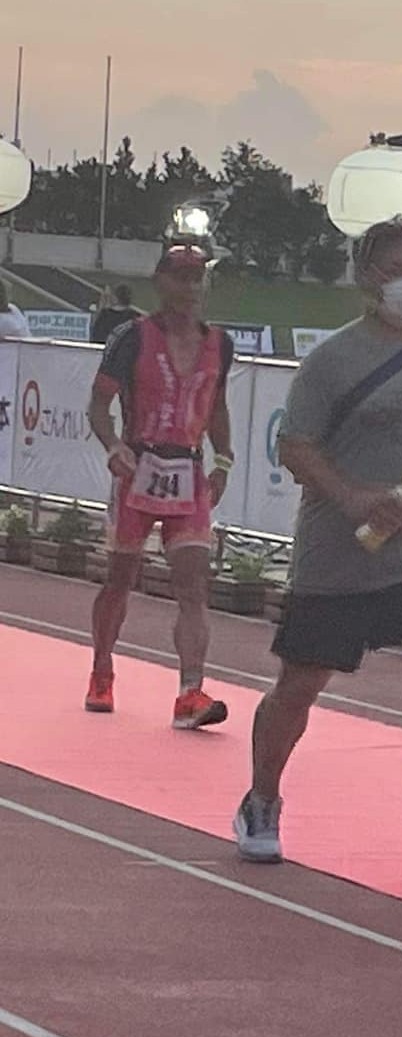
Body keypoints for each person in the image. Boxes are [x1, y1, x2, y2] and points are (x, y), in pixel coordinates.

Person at [232, 218, 402, 865]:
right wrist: (353, 496)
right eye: (398, 270)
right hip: (340, 556)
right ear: (368, 277)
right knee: (301, 683)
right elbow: (295, 446)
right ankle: (262, 796)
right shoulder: (332, 359)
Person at [83, 245, 235, 727]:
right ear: (160, 282)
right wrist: (113, 446)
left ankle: (190, 691)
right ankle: (102, 667)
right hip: (138, 468)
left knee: (193, 585)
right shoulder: (132, 337)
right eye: (181, 277)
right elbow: (98, 404)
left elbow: (217, 405)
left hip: (188, 471)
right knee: (120, 579)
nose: (190, 287)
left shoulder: (219, 343)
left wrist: (224, 460)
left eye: (197, 278)